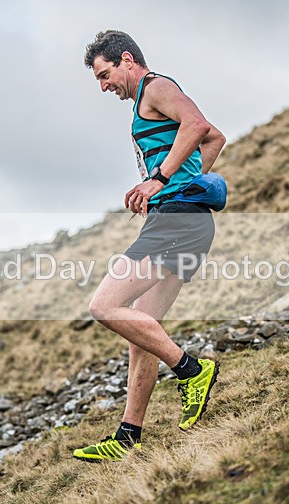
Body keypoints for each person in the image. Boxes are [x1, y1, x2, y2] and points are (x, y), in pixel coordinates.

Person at [73, 30, 226, 462]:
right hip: (183, 218)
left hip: (177, 221)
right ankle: (127, 435)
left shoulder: (156, 88)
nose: (104, 86)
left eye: (105, 75)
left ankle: (192, 371)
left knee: (103, 306)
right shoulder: (148, 100)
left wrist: (160, 181)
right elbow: (215, 138)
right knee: (142, 328)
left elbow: (198, 125)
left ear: (126, 59)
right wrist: (183, 184)